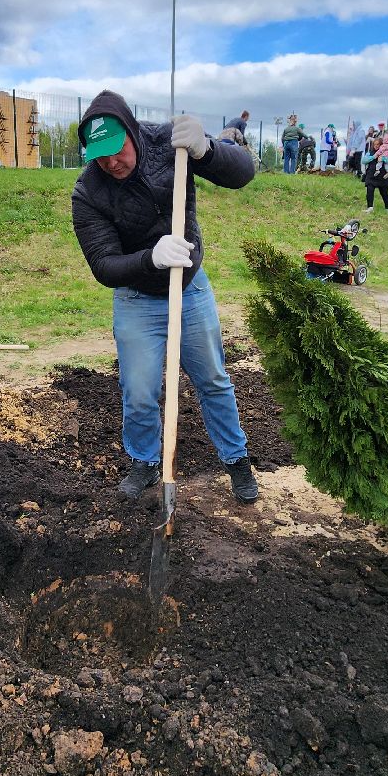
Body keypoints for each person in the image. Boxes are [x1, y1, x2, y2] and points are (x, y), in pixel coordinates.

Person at [71, 90, 259, 504]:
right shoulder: (89, 192)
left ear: (132, 133)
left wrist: (208, 150)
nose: (111, 163)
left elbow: (243, 174)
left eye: (117, 150)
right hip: (137, 298)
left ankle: (237, 459)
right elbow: (104, 264)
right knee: (138, 390)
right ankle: (144, 460)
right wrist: (149, 258)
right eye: (100, 155)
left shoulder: (169, 144)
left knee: (212, 379)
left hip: (190, 290)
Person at [361, 132, 388, 212]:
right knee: (369, 190)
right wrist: (373, 157)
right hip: (371, 175)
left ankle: (387, 208)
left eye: (378, 144)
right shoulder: (370, 152)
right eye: (375, 144)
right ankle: (370, 207)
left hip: (383, 177)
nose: (376, 146)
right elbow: (363, 160)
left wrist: (383, 159)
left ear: (381, 145)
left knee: (384, 193)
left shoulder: (387, 153)